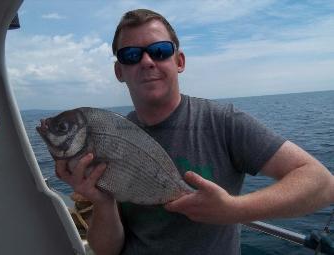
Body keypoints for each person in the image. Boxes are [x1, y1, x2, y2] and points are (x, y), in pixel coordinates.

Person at [55, 9, 334, 255]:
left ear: (179, 61)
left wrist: (233, 211)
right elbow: (107, 250)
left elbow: (323, 184)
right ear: (119, 71)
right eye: (131, 55)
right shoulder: (111, 138)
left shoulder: (223, 122)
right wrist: (102, 202)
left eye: (160, 50)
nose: (148, 61)